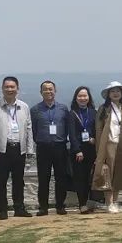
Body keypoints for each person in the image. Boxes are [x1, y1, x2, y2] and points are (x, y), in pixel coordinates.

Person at [0, 77, 34, 219]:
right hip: (2, 149)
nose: (9, 89)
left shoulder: (24, 107)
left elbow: (29, 128)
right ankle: (2, 210)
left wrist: (30, 149)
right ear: (2, 89)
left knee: (19, 181)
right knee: (1, 181)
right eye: (7, 87)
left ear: (17, 89)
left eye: (12, 87)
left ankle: (19, 208)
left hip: (19, 148)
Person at [30, 80, 77, 215]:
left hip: (60, 146)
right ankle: (43, 207)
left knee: (61, 178)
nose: (48, 91)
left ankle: (60, 206)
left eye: (50, 89)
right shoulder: (35, 110)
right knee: (43, 178)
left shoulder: (63, 109)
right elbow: (33, 129)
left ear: (55, 91)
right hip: (43, 147)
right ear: (41, 92)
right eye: (45, 89)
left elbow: (68, 127)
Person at [93, 82, 122, 212]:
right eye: (112, 91)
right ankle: (109, 203)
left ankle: (115, 202)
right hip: (107, 144)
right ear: (108, 95)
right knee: (107, 174)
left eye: (118, 91)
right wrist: (99, 148)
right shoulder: (103, 109)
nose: (115, 94)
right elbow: (98, 129)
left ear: (121, 94)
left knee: (119, 175)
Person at [69, 86, 98, 213]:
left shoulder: (93, 112)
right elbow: (72, 134)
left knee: (90, 178)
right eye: (80, 96)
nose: (82, 98)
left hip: (91, 150)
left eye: (85, 96)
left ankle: (91, 203)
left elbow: (97, 130)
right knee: (80, 178)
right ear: (76, 98)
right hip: (78, 151)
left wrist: (94, 139)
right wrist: (77, 150)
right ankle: (82, 204)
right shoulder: (72, 113)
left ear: (89, 97)